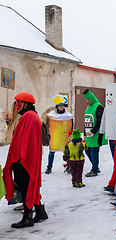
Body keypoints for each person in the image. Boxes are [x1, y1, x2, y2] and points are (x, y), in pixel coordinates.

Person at [2, 92, 48, 228]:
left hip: (23, 160)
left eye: (18, 102)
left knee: (25, 187)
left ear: (25, 103)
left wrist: (20, 159)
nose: (15, 105)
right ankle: (40, 212)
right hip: (26, 158)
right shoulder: (29, 115)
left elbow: (25, 140)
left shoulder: (29, 116)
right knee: (30, 186)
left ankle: (27, 218)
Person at [45, 94, 73, 174]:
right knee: (51, 152)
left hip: (65, 137)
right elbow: (48, 125)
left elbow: (71, 126)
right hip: (55, 136)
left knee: (67, 152)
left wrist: (71, 135)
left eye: (63, 105)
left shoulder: (68, 116)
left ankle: (68, 166)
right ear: (57, 106)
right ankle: (49, 167)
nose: (61, 107)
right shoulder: (51, 115)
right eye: (60, 105)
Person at [82, 89, 108, 177]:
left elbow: (100, 121)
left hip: (96, 134)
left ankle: (94, 170)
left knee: (94, 152)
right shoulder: (88, 107)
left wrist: (93, 131)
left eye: (88, 100)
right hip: (88, 134)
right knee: (87, 151)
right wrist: (85, 134)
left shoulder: (99, 107)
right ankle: (95, 166)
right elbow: (86, 120)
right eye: (86, 100)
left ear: (92, 98)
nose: (87, 102)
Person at [99, 106, 116, 193]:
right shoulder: (109, 106)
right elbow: (104, 120)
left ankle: (115, 184)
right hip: (112, 137)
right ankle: (115, 183)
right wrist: (101, 133)